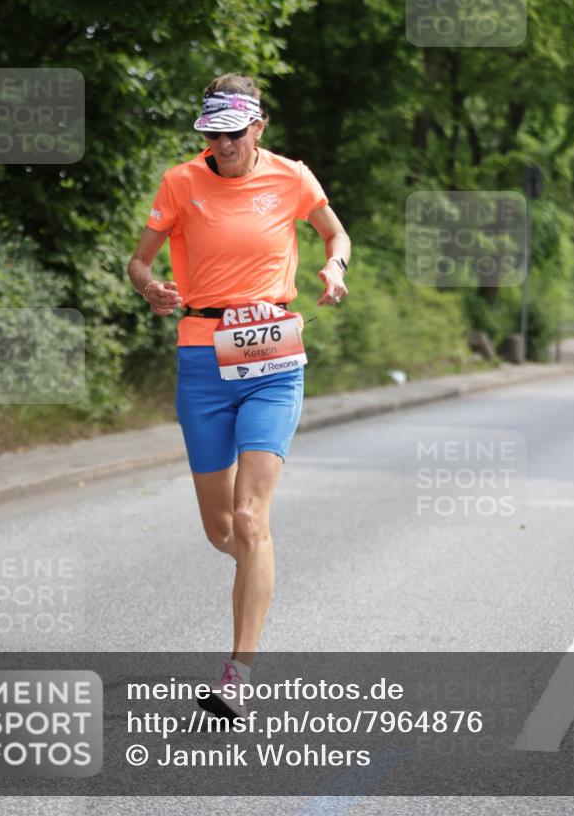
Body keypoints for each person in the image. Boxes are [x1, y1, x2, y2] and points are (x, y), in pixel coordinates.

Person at [127, 73, 350, 717]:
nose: (221, 143)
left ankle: (237, 672)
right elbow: (140, 262)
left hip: (273, 352)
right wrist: (151, 287)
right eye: (211, 133)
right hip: (201, 353)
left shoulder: (292, 177)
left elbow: (336, 235)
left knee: (251, 517)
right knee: (220, 527)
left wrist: (334, 266)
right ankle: (260, 566)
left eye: (233, 132)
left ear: (258, 126)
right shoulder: (180, 182)